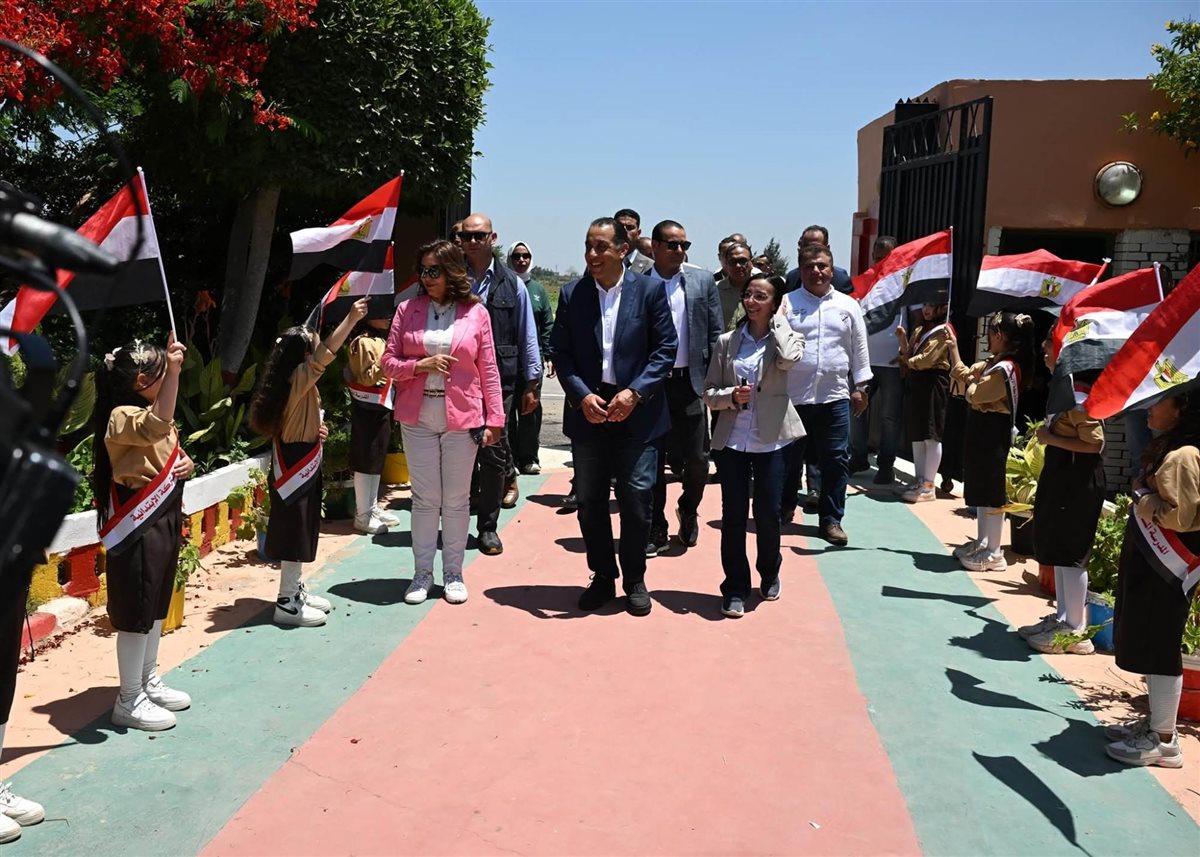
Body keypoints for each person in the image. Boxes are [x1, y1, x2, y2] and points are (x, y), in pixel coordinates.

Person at [550, 217, 676, 616]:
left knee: (637, 498)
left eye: (601, 246)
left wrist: (635, 392)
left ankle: (634, 578)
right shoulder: (572, 294)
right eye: (588, 245)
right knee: (590, 501)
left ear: (623, 250)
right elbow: (561, 352)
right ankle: (603, 575)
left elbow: (665, 349)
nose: (592, 254)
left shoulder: (650, 291)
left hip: (637, 412)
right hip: (589, 411)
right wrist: (581, 394)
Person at [381, 240, 504, 606]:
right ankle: (422, 573)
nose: (426, 277)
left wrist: (495, 419)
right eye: (422, 270)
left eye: (434, 270)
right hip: (417, 415)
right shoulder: (407, 310)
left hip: (462, 417)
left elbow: (489, 370)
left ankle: (453, 573)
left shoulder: (476, 313)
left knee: (456, 500)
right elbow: (388, 363)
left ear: (452, 271)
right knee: (424, 499)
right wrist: (418, 366)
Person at [93, 335, 196, 731]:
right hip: (137, 523)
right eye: (161, 372)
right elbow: (156, 427)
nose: (169, 377)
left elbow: (166, 448)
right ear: (141, 380)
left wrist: (187, 465)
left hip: (162, 516)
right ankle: (129, 697)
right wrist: (175, 371)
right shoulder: (121, 415)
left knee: (154, 606)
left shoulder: (152, 412)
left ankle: (147, 679)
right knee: (136, 611)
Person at [249, 298, 367, 628]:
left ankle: (295, 589)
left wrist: (317, 427)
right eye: (312, 344)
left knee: (303, 528)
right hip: (295, 466)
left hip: (303, 457)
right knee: (294, 531)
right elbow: (326, 354)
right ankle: (286, 602)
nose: (318, 344)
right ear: (303, 355)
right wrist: (351, 319)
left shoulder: (293, 382)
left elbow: (300, 418)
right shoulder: (299, 376)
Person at [1104, 392, 1200, 768]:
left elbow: (1181, 517)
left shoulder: (1184, 455)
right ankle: (1156, 724)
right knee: (1149, 639)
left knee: (1160, 645)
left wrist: (1142, 500)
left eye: (1159, 401)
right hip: (1153, 563)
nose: (1148, 408)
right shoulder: (1170, 447)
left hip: (1168, 567)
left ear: (1181, 409)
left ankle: (1163, 739)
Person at [705, 273, 805, 618]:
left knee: (767, 514)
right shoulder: (727, 342)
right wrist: (731, 396)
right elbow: (709, 392)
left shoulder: (787, 338)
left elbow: (789, 358)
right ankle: (734, 587)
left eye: (761, 297)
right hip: (733, 441)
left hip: (772, 441)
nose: (751, 301)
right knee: (733, 516)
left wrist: (779, 324)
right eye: (748, 294)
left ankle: (769, 570)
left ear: (775, 304)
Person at [457, 213, 543, 555]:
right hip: (458, 380)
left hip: (500, 382)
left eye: (479, 236)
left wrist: (532, 383)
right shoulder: (452, 278)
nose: (472, 242)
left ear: (492, 239)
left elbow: (527, 334)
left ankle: (488, 528)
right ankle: (460, 517)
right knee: (460, 453)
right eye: (467, 236)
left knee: (493, 451)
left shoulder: (512, 283)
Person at [1019, 332, 1106, 654]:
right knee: (1059, 549)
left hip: (1078, 481)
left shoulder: (1078, 395)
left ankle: (1076, 631)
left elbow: (1095, 443)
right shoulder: (1063, 388)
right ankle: (1063, 619)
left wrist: (1050, 438)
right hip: (1062, 476)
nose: (1044, 352)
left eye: (1049, 347)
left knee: (1072, 554)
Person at [779, 244, 871, 546]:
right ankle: (784, 509)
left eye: (822, 266)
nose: (816, 271)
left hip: (835, 397)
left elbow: (859, 348)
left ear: (832, 269)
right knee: (788, 460)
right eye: (809, 266)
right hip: (793, 398)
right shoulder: (787, 303)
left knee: (836, 460)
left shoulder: (848, 306)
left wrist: (861, 387)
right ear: (800, 270)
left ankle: (831, 520)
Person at [646, 220, 723, 555]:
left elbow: (715, 332)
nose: (680, 251)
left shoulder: (702, 281)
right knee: (651, 461)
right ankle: (656, 525)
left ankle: (688, 509)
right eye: (673, 244)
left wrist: (715, 379)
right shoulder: (638, 283)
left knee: (697, 459)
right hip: (651, 387)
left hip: (691, 384)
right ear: (655, 246)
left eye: (684, 245)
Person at [946, 312, 1035, 572]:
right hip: (982, 429)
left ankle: (994, 553)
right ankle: (983, 543)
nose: (988, 338)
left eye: (991, 333)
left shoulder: (1006, 368)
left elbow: (975, 394)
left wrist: (973, 385)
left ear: (999, 335)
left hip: (993, 431)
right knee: (981, 490)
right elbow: (965, 374)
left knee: (992, 491)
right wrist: (953, 348)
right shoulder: (994, 363)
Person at [849, 236, 904, 483]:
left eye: (886, 257)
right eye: (878, 256)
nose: (881, 261)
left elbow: (916, 320)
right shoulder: (865, 282)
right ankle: (858, 458)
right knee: (857, 411)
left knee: (890, 417)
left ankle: (885, 465)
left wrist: (906, 355)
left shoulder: (905, 283)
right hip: (864, 361)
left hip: (893, 362)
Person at [346, 316, 402, 534]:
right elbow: (367, 378)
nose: (388, 318)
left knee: (377, 457)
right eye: (381, 314)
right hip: (367, 405)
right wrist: (388, 359)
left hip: (382, 404)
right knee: (366, 458)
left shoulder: (380, 340)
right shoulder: (362, 342)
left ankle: (372, 507)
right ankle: (362, 514)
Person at [896, 296, 952, 502]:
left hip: (933, 382)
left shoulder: (944, 331)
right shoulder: (920, 329)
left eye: (931, 305)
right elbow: (909, 354)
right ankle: (919, 480)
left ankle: (929, 486)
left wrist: (908, 360)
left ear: (942, 308)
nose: (926, 309)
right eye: (925, 304)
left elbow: (928, 359)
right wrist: (903, 341)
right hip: (917, 382)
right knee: (917, 434)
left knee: (931, 434)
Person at [507, 241, 555, 476]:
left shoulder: (538, 290)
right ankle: (510, 460)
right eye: (516, 256)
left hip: (531, 360)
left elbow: (547, 324)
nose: (521, 260)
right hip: (507, 360)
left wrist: (548, 354)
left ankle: (529, 458)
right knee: (507, 413)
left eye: (525, 256)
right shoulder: (504, 286)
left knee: (530, 411)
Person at [784, 226, 854, 295]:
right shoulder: (792, 278)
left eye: (817, 247)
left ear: (827, 249)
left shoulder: (842, 282)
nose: (811, 251)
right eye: (807, 247)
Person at [717, 241, 756, 331]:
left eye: (743, 261)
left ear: (752, 262)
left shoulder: (763, 290)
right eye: (733, 262)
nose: (738, 266)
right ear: (726, 264)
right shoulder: (715, 290)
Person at [615, 208, 654, 274]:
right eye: (620, 227)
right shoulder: (603, 262)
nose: (624, 231)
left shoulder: (650, 267)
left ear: (638, 233)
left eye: (630, 228)